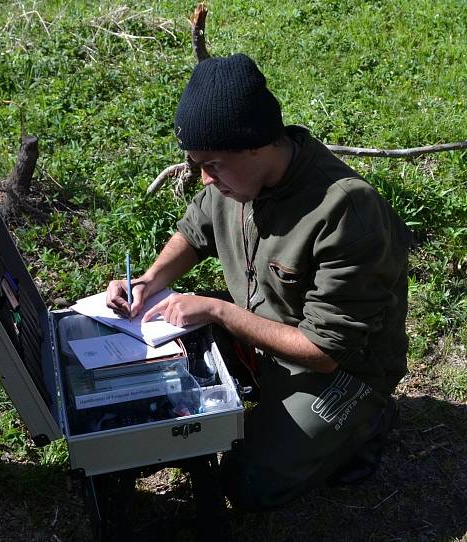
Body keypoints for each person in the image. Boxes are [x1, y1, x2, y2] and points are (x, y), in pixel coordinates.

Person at [106, 53, 411, 510]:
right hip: (264, 331)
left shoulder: (345, 211)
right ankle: (260, 382)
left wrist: (218, 312)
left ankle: (368, 419)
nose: (204, 178)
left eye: (212, 164)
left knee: (249, 485)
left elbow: (325, 352)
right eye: (195, 163)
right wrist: (149, 281)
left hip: (343, 368)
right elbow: (194, 232)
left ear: (257, 146)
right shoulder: (233, 178)